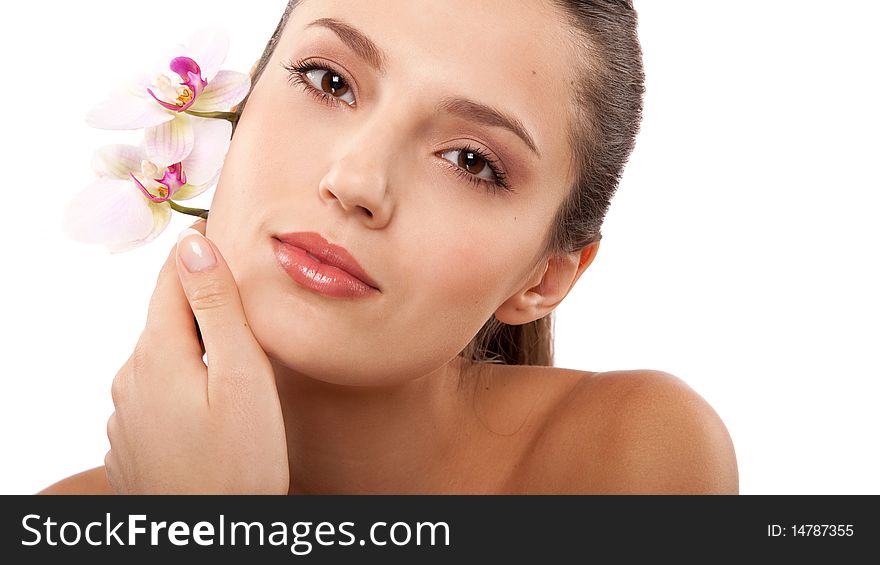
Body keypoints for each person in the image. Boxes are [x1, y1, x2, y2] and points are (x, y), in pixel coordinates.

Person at [39, 0, 738, 495]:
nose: (355, 180)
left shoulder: (628, 458)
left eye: (470, 160)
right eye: (328, 81)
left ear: (543, 278)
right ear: (236, 110)